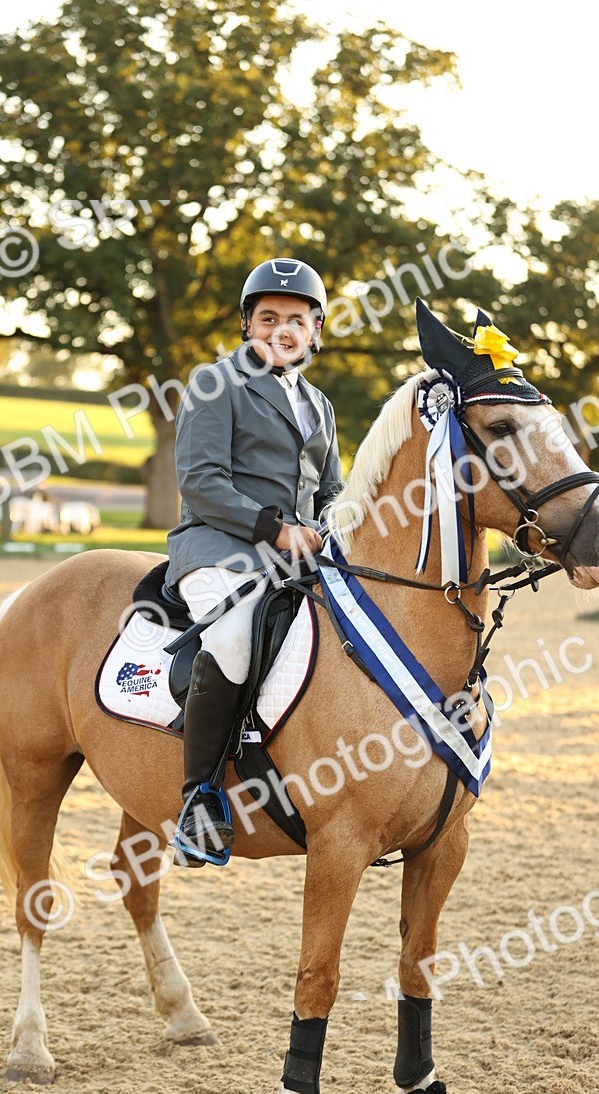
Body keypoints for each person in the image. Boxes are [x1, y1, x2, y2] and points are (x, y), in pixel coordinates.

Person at [166, 257, 343, 865]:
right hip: (219, 547)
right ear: (248, 326)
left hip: (298, 554)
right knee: (236, 634)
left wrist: (333, 528)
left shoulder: (319, 404)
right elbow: (201, 481)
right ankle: (200, 799)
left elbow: (331, 492)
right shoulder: (215, 383)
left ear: (316, 331)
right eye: (268, 318)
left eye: (296, 320)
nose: (281, 331)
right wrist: (277, 528)